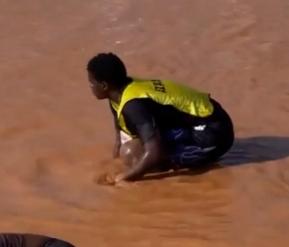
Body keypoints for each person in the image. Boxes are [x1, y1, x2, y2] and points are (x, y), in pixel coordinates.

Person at [87, 52, 235, 182]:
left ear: (105, 85)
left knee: (133, 153)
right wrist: (114, 164)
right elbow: (119, 137)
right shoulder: (117, 94)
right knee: (127, 151)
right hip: (194, 123)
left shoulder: (133, 105)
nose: (90, 87)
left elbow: (153, 153)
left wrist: (125, 178)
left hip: (214, 131)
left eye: (92, 84)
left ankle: (179, 162)